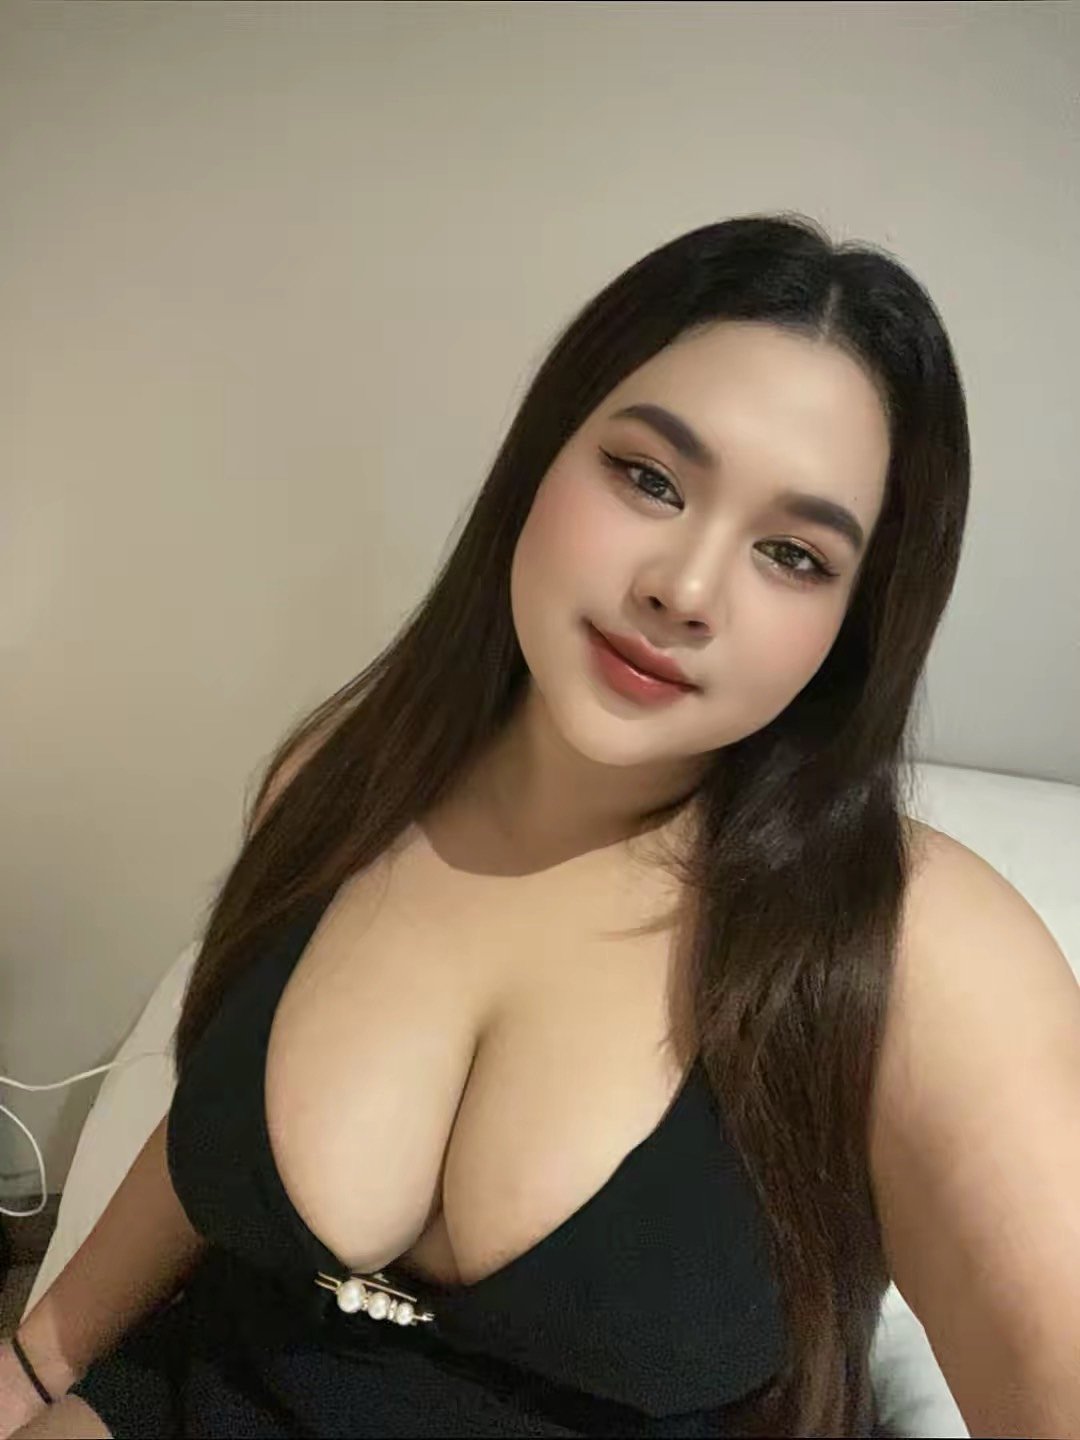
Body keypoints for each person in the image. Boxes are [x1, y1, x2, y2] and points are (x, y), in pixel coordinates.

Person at [1, 213, 970, 1438]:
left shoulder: (915, 938)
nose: (683, 588)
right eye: (649, 478)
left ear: (857, 621)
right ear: (542, 457)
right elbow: (224, 1118)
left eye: (792, 552)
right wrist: (39, 1358)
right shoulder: (339, 782)